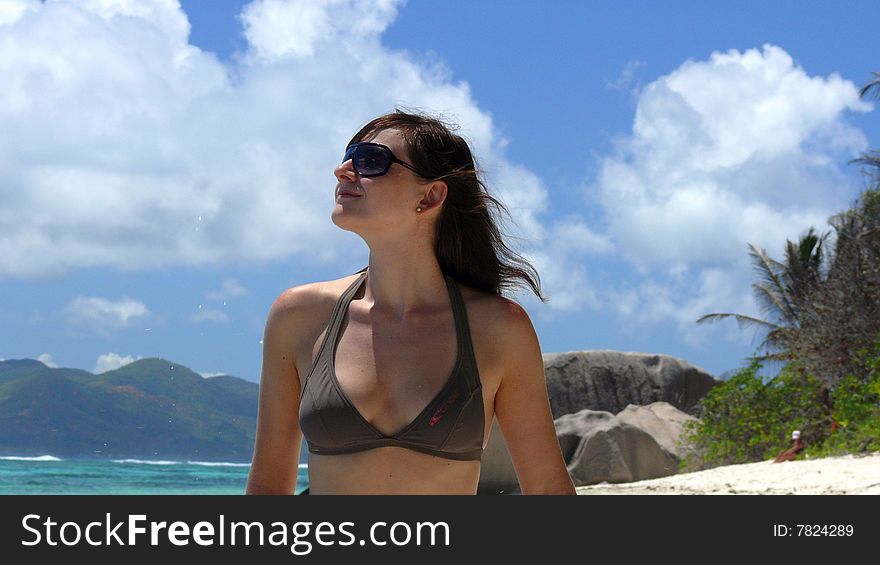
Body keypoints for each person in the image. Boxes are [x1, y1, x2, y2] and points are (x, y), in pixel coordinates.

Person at [246, 109, 576, 495]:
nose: (343, 170)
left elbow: (549, 488)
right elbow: (268, 486)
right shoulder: (299, 316)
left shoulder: (499, 329)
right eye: (348, 157)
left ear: (430, 196)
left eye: (370, 161)